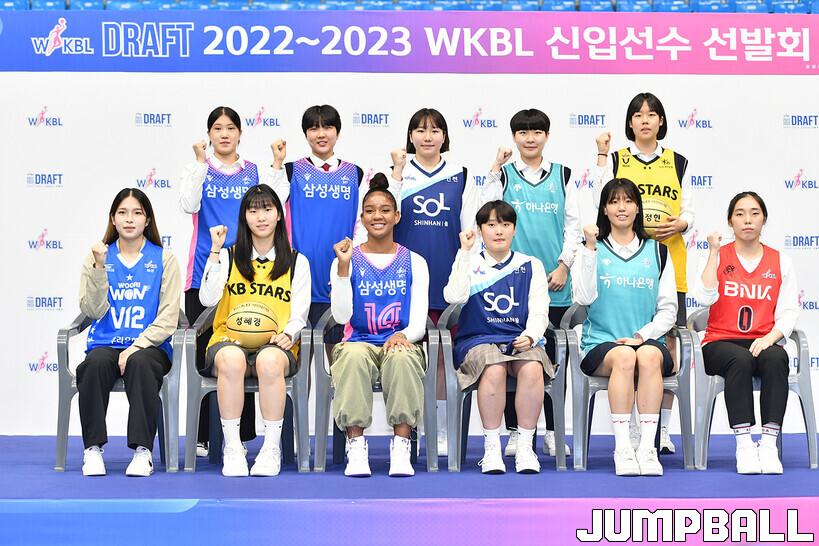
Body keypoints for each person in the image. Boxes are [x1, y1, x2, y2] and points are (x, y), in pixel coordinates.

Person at [594, 93, 693, 454]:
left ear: (661, 121)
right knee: (623, 347)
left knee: (665, 347)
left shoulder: (677, 161)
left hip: (665, 263)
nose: (646, 120)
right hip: (621, 265)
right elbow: (600, 198)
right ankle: (632, 428)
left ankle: (660, 430)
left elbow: (689, 208)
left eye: (652, 115)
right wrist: (602, 155)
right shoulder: (618, 159)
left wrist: (683, 223)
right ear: (630, 122)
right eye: (638, 115)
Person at [482, 108, 578, 458]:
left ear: (547, 136)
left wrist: (564, 266)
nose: (530, 138)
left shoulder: (563, 175)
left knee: (552, 361)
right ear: (514, 137)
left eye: (537, 132)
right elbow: (485, 212)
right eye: (523, 132)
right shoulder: (505, 175)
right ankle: (514, 431)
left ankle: (552, 431)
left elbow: (574, 226)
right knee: (511, 355)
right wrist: (494, 168)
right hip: (512, 286)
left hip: (554, 284)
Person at [389, 107, 484, 453]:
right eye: (420, 130)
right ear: (410, 136)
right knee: (406, 357)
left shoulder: (461, 175)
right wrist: (396, 173)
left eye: (434, 130)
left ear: (444, 136)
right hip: (404, 284)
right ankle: (408, 429)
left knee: (444, 360)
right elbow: (383, 219)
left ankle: (440, 429)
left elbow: (471, 233)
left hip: (448, 283)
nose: (427, 137)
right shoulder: (398, 175)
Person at [199, 185, 311, 477]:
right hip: (229, 339)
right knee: (231, 360)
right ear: (244, 217)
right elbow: (207, 299)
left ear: (279, 215)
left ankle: (271, 447)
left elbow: (300, 312)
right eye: (253, 211)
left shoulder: (297, 261)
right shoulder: (229, 255)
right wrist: (214, 251)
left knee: (269, 361)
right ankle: (233, 447)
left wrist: (290, 333)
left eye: (267, 210)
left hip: (275, 343)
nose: (261, 217)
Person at [572, 178, 677, 476]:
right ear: (604, 209)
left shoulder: (658, 251)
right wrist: (590, 249)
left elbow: (669, 310)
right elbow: (582, 297)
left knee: (647, 355)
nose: (622, 207)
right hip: (600, 343)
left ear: (637, 208)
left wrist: (642, 336)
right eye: (614, 201)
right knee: (624, 356)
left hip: (646, 340)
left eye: (629, 201)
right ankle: (623, 448)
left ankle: (647, 448)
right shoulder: (589, 250)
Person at [329, 174, 430, 477]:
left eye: (385, 210)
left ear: (396, 216)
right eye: (370, 210)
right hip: (358, 341)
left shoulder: (415, 261)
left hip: (399, 340)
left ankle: (401, 445)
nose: (377, 216)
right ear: (361, 218)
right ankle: (356, 446)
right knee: (352, 357)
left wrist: (403, 335)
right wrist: (343, 269)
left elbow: (419, 322)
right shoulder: (346, 258)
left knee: (402, 358)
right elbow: (342, 317)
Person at [179, 106, 264, 457]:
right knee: (204, 353)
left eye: (231, 128)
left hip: (246, 272)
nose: (224, 134)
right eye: (217, 128)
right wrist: (200, 163)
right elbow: (189, 204)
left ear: (241, 133)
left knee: (243, 344)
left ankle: (240, 434)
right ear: (209, 134)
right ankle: (202, 434)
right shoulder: (198, 168)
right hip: (205, 268)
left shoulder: (254, 171)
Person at [77, 188, 181, 477]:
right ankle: (92, 449)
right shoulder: (97, 256)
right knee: (94, 365)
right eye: (122, 213)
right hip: (107, 343)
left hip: (150, 347)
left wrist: (136, 346)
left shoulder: (164, 259)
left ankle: (142, 451)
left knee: (141, 363)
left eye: (137, 213)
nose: (129, 219)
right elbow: (93, 310)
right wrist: (99, 268)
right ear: (113, 219)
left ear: (147, 220)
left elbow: (169, 318)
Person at [443, 200, 551, 475]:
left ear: (514, 229)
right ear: (480, 230)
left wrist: (531, 336)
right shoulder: (470, 261)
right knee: (494, 367)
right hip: (478, 339)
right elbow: (453, 297)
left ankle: (525, 447)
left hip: (519, 338)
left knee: (532, 367)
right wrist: (464, 252)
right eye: (491, 225)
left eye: (505, 224)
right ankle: (491, 448)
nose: (499, 231)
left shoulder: (531, 265)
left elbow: (540, 309)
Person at [694, 192, 798, 475]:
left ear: (764, 219)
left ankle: (768, 444)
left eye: (754, 213)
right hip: (719, 342)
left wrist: (769, 339)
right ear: (730, 221)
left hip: (762, 340)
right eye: (740, 214)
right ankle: (744, 444)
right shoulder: (718, 256)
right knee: (739, 360)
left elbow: (789, 311)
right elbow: (703, 297)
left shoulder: (781, 261)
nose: (748, 220)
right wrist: (713, 253)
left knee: (776, 358)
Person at [268, 104, 366, 331]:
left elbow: (363, 224)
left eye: (327, 127)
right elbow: (267, 205)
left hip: (340, 274)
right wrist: (277, 163)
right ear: (305, 134)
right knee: (297, 345)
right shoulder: (291, 171)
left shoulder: (355, 173)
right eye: (314, 128)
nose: (321, 134)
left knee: (337, 346)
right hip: (297, 275)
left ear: (338, 132)